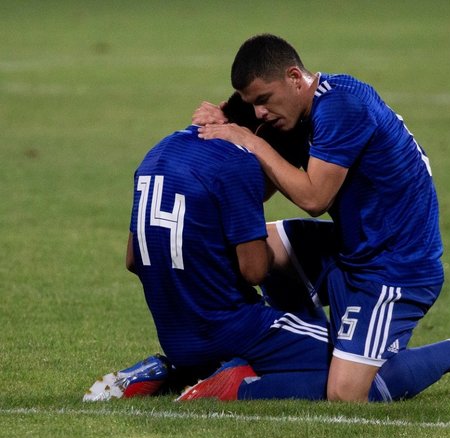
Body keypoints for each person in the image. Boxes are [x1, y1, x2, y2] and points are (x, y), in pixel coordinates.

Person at [195, 34, 450, 402]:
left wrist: (250, 140)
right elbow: (263, 187)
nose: (261, 112)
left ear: (295, 77)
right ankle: (302, 352)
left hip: (395, 267)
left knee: (346, 395)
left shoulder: (343, 106)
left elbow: (313, 197)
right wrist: (231, 128)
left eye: (264, 100)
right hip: (351, 246)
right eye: (254, 104)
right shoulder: (295, 116)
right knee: (255, 245)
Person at [84, 93, 331, 402]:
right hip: (232, 328)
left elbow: (133, 259)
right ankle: (235, 387)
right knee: (356, 362)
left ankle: (166, 372)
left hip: (176, 338)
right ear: (260, 136)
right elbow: (254, 271)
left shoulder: (157, 152)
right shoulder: (238, 162)